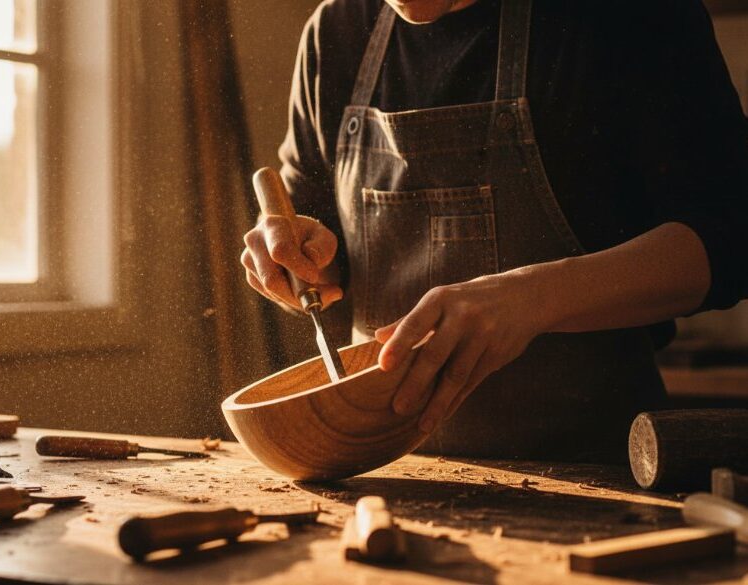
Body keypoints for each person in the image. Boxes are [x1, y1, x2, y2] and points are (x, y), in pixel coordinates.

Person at [240, 0, 748, 460]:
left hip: (599, 473)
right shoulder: (338, 29)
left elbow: (730, 235)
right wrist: (303, 263)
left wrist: (536, 297)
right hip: (394, 478)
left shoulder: (631, 16)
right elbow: (315, 244)